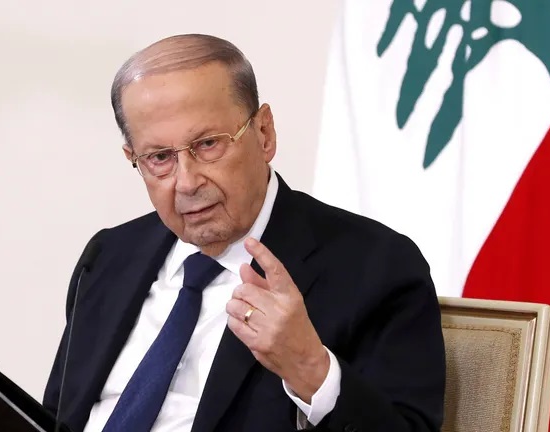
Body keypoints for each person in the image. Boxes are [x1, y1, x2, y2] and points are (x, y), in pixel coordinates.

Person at [43, 34, 445, 432]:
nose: (187, 182)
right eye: (160, 157)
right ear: (133, 159)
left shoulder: (375, 266)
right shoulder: (108, 257)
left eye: (207, 144)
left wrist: (310, 369)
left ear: (264, 133)